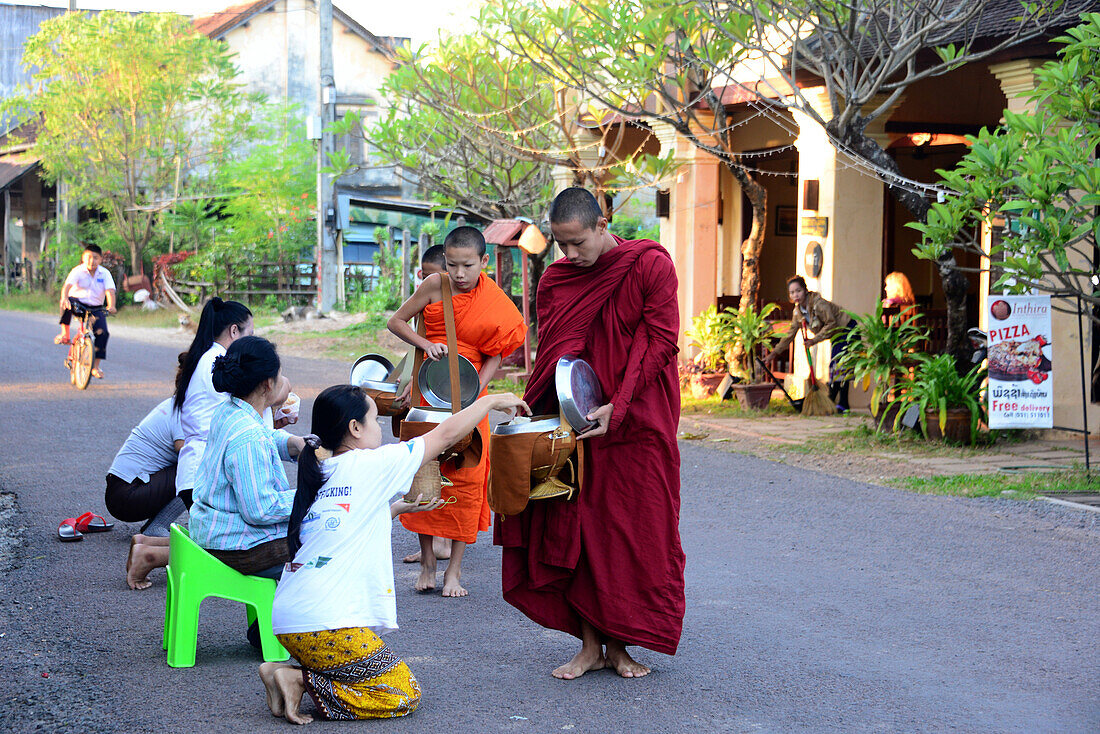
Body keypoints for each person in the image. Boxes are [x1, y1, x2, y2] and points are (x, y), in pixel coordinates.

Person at [495, 187, 685, 680]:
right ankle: (588, 645)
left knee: (629, 531)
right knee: (574, 528)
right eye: (561, 245)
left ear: (602, 225)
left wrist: (618, 407)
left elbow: (660, 340)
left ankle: (620, 645)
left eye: (577, 243)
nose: (570, 255)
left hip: (637, 422)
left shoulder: (648, 266)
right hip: (573, 422)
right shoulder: (557, 280)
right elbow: (555, 354)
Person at [262, 385, 528, 724]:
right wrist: (490, 401)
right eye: (375, 419)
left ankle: (290, 672)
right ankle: (297, 679)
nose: (380, 428)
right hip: (324, 626)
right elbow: (444, 436)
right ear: (355, 428)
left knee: (375, 680)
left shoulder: (322, 472)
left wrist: (397, 508)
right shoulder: (371, 463)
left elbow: (346, 524)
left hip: (291, 620)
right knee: (401, 693)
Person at [387, 226, 527, 597]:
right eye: (452, 265)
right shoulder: (435, 285)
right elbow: (396, 322)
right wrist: (424, 343)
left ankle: (454, 572)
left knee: (467, 478)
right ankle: (428, 560)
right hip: (428, 391)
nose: (460, 274)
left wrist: (475, 396)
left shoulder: (494, 299)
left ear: (484, 261)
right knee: (426, 472)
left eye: (468, 265)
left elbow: (496, 354)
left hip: (470, 397)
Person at [189, 336, 305, 578]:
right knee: (321, 547)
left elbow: (265, 438)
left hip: (215, 531)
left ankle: (264, 616)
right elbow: (261, 510)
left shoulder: (229, 410)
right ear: (267, 385)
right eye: (280, 375)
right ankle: (280, 615)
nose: (284, 381)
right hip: (238, 547)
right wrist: (309, 496)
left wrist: (293, 444)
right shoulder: (249, 436)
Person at [401, 242, 453, 565]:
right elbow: (418, 338)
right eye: (426, 277)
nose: (430, 283)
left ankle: (445, 540)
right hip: (426, 379)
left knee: (451, 461)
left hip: (453, 383)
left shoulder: (457, 293)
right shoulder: (426, 294)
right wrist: (410, 376)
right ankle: (428, 543)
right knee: (426, 462)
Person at [103, 396, 184, 590]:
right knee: (196, 466)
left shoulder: (180, 400)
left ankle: (149, 534)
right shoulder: (187, 407)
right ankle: (156, 528)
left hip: (124, 490)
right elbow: (186, 450)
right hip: (127, 494)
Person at [764, 275, 856, 412]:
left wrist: (814, 340)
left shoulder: (819, 304)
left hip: (847, 328)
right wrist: (773, 354)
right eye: (792, 292)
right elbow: (789, 336)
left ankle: (839, 403)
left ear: (805, 290)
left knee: (839, 364)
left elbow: (832, 324)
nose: (795, 295)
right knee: (837, 365)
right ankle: (837, 403)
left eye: (798, 291)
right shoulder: (798, 312)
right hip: (836, 334)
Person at [55, 244, 116, 379]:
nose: (91, 261)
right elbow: (67, 287)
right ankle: (65, 333)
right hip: (78, 304)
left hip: (95, 308)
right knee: (67, 302)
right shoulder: (77, 271)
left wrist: (111, 305)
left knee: (103, 333)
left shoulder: (105, 273)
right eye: (88, 257)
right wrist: (64, 297)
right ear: (83, 258)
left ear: (100, 259)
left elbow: (110, 291)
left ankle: (95, 367)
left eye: (95, 258)